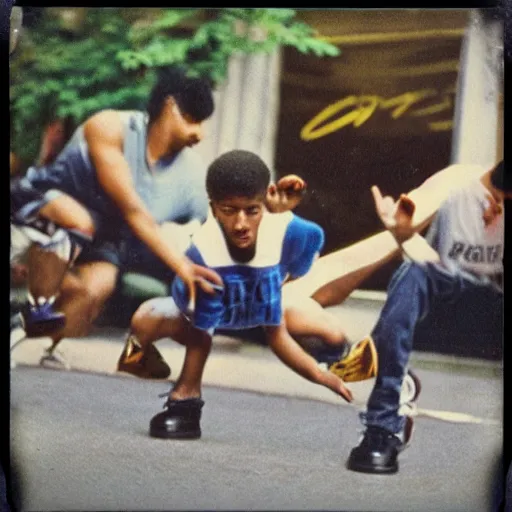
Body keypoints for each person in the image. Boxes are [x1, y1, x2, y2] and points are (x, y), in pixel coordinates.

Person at [119, 149, 374, 439]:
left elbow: (280, 326)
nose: (240, 224)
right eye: (229, 211)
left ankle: (341, 360)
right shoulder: (205, 255)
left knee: (331, 333)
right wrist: (185, 391)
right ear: (213, 208)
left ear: (263, 201)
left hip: (262, 310)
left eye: (251, 211)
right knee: (144, 320)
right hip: (206, 317)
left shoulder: (290, 233)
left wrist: (320, 375)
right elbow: (202, 338)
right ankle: (184, 401)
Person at [10, 65, 226, 365]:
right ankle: (33, 295)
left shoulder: (190, 175)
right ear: (171, 107)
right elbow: (133, 210)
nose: (199, 134)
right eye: (193, 120)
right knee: (78, 220)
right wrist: (182, 266)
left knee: (97, 288)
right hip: (42, 206)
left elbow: (216, 225)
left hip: (101, 235)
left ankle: (31, 338)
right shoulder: (111, 127)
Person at [343, 160, 508, 474]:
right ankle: (383, 426)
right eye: (493, 194)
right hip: (449, 287)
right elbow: (428, 253)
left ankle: (395, 381)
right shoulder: (457, 184)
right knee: (412, 276)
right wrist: (404, 234)